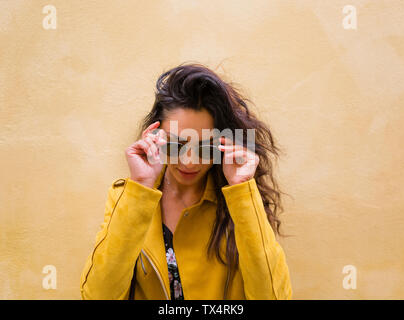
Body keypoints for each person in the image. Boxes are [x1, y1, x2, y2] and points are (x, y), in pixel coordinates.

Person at [80, 63, 292, 300]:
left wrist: (242, 191)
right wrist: (141, 186)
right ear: (154, 137)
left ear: (224, 143)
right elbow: (98, 296)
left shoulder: (239, 200)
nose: (189, 161)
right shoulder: (128, 196)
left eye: (205, 146)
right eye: (176, 144)